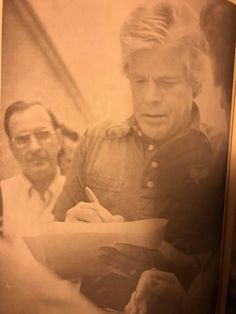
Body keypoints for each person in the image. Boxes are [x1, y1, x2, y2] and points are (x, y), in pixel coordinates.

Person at [52, 0, 227, 311]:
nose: (150, 98)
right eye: (139, 81)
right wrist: (67, 232)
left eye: (166, 82)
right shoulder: (95, 140)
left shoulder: (223, 154)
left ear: (195, 82)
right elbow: (50, 254)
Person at [1, 101, 65, 235]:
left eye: (42, 134)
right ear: (12, 148)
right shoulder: (3, 195)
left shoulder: (78, 194)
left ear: (59, 139)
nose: (34, 147)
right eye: (22, 139)